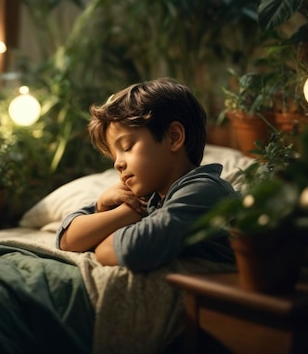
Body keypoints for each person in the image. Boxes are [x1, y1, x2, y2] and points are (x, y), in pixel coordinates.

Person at [56, 78, 237, 272]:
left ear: (174, 137)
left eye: (127, 147)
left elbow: (123, 250)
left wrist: (113, 227)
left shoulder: (203, 192)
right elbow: (67, 239)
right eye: (114, 156)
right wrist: (108, 210)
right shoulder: (147, 196)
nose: (118, 163)